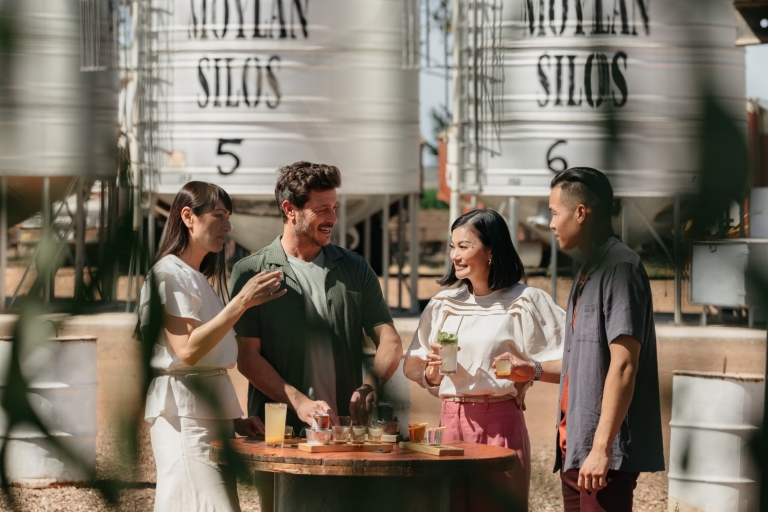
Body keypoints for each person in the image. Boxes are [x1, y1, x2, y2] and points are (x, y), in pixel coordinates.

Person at [229, 161, 404, 505]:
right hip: (279, 435)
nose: (333, 219)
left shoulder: (354, 268)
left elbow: (390, 340)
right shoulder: (251, 271)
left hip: (343, 438)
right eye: (322, 209)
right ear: (290, 210)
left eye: (334, 208)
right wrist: (301, 403)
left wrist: (371, 384)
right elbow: (247, 358)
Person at [403, 209, 565, 512]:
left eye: (464, 246)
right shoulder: (444, 304)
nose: (454, 255)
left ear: (491, 250)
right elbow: (412, 366)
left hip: (501, 422)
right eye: (452, 246)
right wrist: (433, 374)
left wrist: (531, 370)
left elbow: (575, 362)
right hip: (449, 422)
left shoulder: (525, 301)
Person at [137, 182, 286, 512]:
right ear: (188, 216)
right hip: (185, 421)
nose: (227, 226)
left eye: (228, 217)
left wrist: (234, 420)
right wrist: (242, 301)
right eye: (218, 215)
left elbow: (210, 361)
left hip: (209, 420)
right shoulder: (167, 274)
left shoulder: (197, 278)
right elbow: (187, 351)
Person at [546, 167, 664, 511]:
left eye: (555, 213)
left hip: (602, 459)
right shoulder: (588, 269)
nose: (551, 224)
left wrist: (601, 449)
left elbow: (625, 365)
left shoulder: (621, 268)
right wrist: (533, 370)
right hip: (576, 451)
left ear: (580, 212)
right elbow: (582, 364)